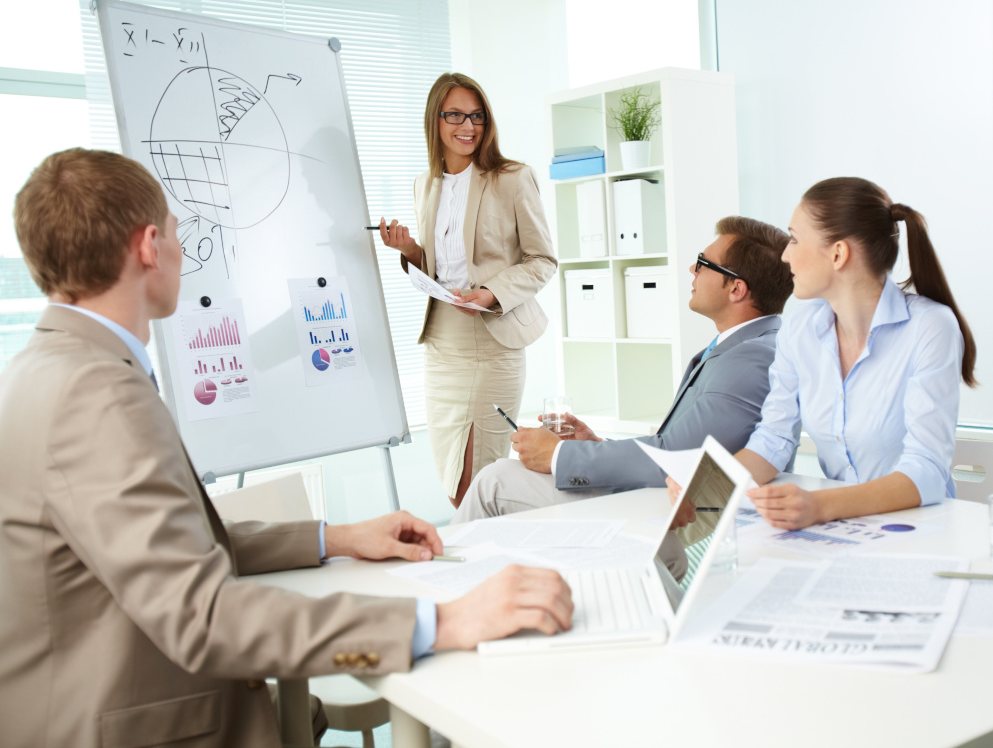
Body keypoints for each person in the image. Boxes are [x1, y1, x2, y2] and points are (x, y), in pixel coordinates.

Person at [0, 148, 572, 748]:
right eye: (174, 232)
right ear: (148, 247)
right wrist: (443, 620)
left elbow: (175, 542)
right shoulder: (96, 395)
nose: (179, 249)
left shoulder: (52, 368)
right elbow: (203, 616)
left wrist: (338, 539)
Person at [452, 216, 797, 523]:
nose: (692, 270)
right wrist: (596, 443)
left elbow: (675, 459)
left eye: (704, 263)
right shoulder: (743, 346)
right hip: (664, 492)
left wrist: (558, 455)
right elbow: (674, 445)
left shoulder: (751, 360)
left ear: (736, 289)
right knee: (499, 477)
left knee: (493, 482)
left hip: (680, 510)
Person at [701, 178, 975, 532]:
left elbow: (927, 471)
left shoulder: (929, 326)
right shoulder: (799, 328)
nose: (785, 255)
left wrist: (819, 505)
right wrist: (707, 486)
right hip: (841, 531)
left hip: (917, 530)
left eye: (795, 239)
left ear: (838, 253)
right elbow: (774, 438)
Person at [377, 72, 556, 508]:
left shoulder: (512, 178)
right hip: (443, 343)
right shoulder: (426, 184)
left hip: (492, 342)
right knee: (451, 476)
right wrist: (409, 251)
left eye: (476, 116)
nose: (468, 126)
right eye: (455, 114)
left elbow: (542, 261)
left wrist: (490, 293)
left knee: (475, 482)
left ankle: (500, 567)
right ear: (435, 120)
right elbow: (439, 268)